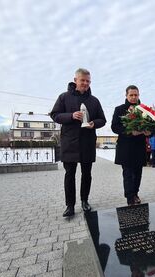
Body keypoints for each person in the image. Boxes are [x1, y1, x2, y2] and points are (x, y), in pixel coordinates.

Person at [50, 68, 106, 217]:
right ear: (75, 80)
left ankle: (84, 201)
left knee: (87, 174)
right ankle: (70, 206)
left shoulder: (94, 100)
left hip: (87, 142)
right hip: (70, 142)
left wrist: (94, 123)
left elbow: (103, 119)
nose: (85, 83)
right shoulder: (64, 97)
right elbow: (55, 115)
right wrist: (71, 116)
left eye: (88, 81)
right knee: (70, 174)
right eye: (83, 80)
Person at [111, 85, 150, 205]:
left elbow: (152, 126)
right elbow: (114, 127)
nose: (133, 97)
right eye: (131, 95)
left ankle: (135, 193)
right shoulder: (119, 109)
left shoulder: (144, 110)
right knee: (127, 173)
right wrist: (129, 131)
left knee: (138, 172)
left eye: (136, 95)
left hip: (139, 146)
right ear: (126, 95)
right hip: (125, 147)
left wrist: (150, 132)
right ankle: (129, 198)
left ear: (139, 95)